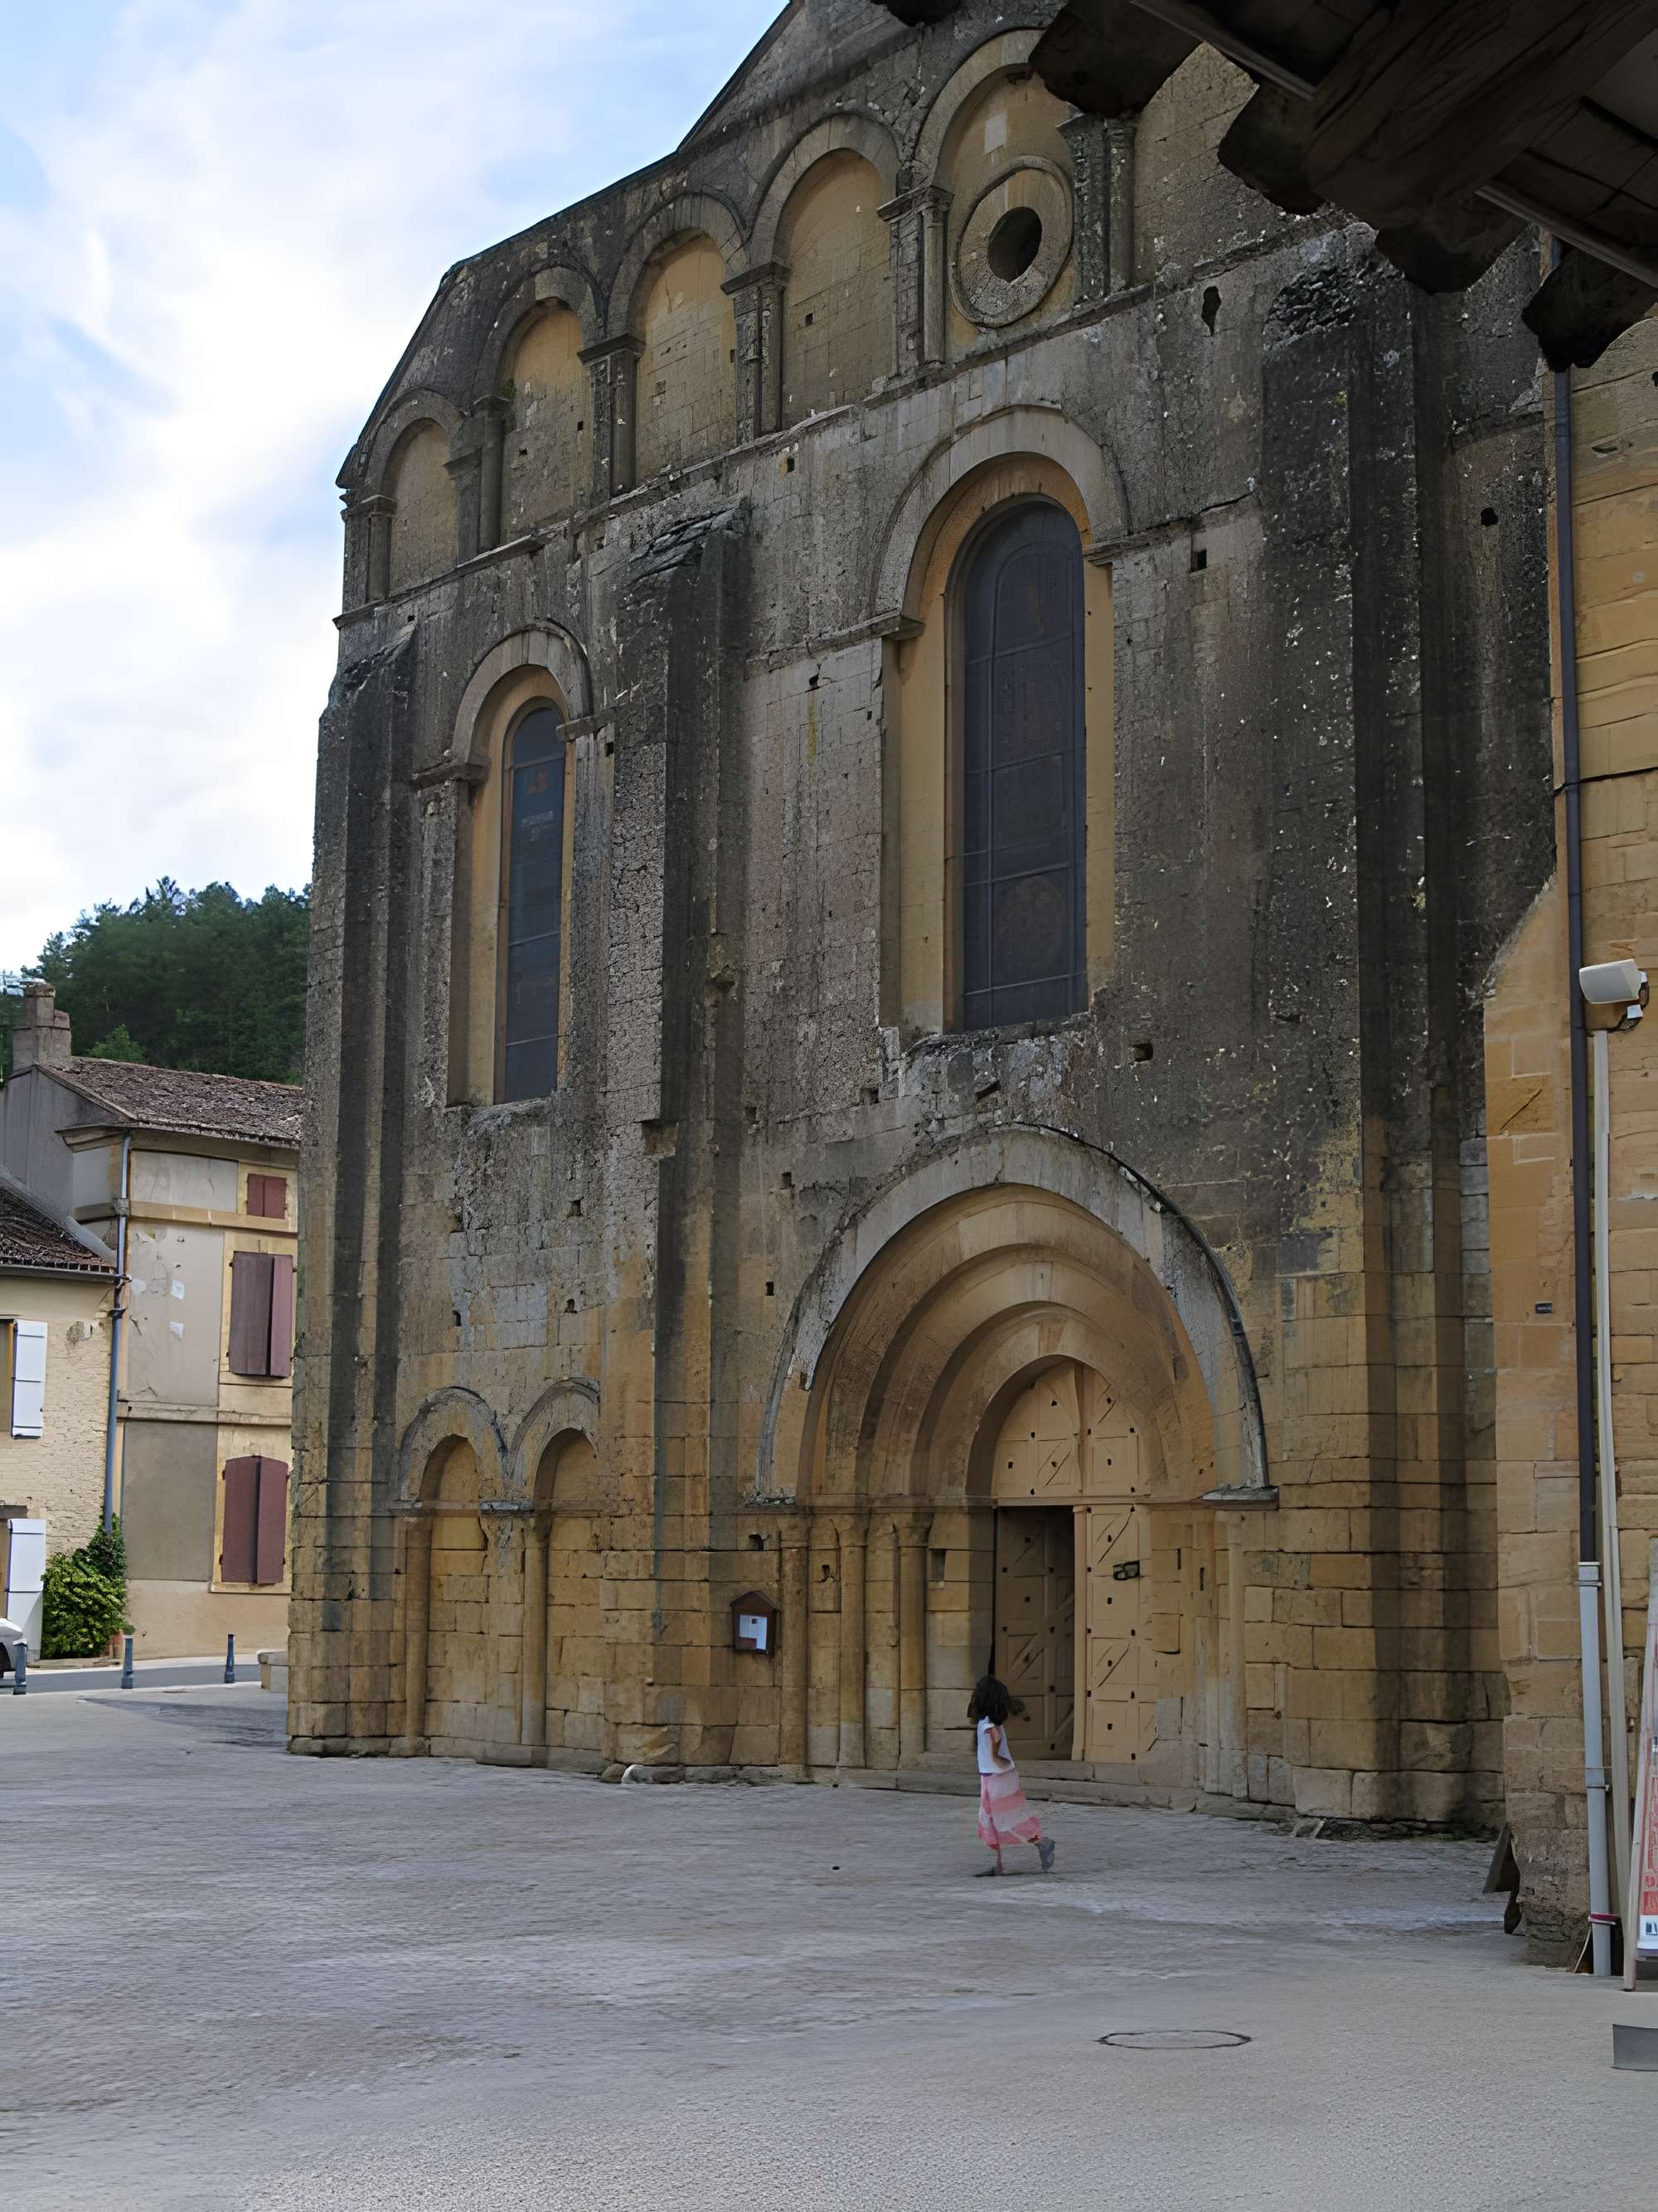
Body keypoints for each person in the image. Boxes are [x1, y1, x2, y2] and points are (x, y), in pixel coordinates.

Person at [969, 1673, 1056, 1876]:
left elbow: (995, 1738)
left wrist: (994, 1755)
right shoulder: (990, 1720)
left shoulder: (989, 1723)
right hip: (994, 1775)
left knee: (1004, 1817)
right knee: (993, 1818)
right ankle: (999, 1865)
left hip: (997, 1776)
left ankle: (1042, 1843)